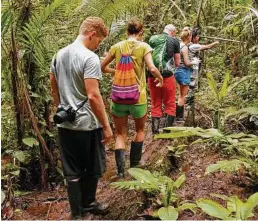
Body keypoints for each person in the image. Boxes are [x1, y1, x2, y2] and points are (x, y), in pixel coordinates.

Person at [49, 17, 113, 219]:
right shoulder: (89, 58)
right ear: (92, 35)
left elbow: (53, 86)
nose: (98, 45)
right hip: (87, 123)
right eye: (99, 41)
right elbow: (93, 95)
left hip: (65, 123)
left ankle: (76, 213)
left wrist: (60, 105)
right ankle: (89, 203)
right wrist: (106, 125)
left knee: (72, 169)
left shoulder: (59, 55)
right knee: (93, 165)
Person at [101, 18, 163, 178]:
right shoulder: (144, 47)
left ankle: (120, 172)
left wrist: (116, 72)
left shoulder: (117, 47)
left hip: (118, 97)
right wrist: (160, 78)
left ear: (127, 32)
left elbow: (101, 67)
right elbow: (151, 67)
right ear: (141, 33)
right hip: (138, 98)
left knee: (120, 134)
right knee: (140, 130)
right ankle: (135, 164)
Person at [148, 24, 181, 134]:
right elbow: (177, 62)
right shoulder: (175, 40)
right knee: (170, 102)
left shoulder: (152, 39)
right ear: (172, 32)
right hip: (167, 75)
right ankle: (167, 131)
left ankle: (155, 130)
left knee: (155, 102)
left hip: (152, 75)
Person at [175, 27, 200, 121]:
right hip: (183, 71)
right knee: (182, 96)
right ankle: (179, 118)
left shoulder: (179, 44)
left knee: (180, 94)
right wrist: (195, 62)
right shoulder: (184, 48)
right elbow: (187, 63)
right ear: (189, 37)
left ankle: (178, 116)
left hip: (177, 71)